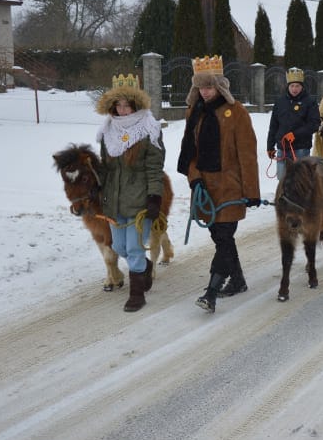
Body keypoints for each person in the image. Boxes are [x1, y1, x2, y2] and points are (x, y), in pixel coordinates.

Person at [177, 56, 261, 313]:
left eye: (209, 87)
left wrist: (252, 192)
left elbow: (247, 154)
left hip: (230, 186)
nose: (205, 92)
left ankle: (211, 291)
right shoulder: (194, 111)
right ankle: (237, 280)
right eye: (201, 87)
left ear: (220, 86)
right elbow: (189, 152)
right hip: (205, 187)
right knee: (219, 237)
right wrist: (195, 179)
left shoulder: (236, 113)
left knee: (224, 236)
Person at [95, 74, 165, 312]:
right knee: (121, 248)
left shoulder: (149, 129)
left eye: (127, 105)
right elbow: (104, 167)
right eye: (118, 105)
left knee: (134, 249)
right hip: (113, 202)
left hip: (139, 201)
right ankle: (143, 268)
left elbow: (155, 168)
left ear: (136, 105)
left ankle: (137, 294)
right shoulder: (107, 131)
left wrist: (154, 197)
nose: (123, 110)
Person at [267, 67, 320, 181]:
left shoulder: (310, 102)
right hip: (282, 148)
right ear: (288, 86)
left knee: (300, 181)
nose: (294, 89)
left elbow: (314, 124)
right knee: (282, 180)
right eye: (292, 86)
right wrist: (270, 146)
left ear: (302, 86)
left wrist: (295, 134)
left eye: (297, 86)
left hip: (301, 148)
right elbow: (274, 125)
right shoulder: (280, 102)